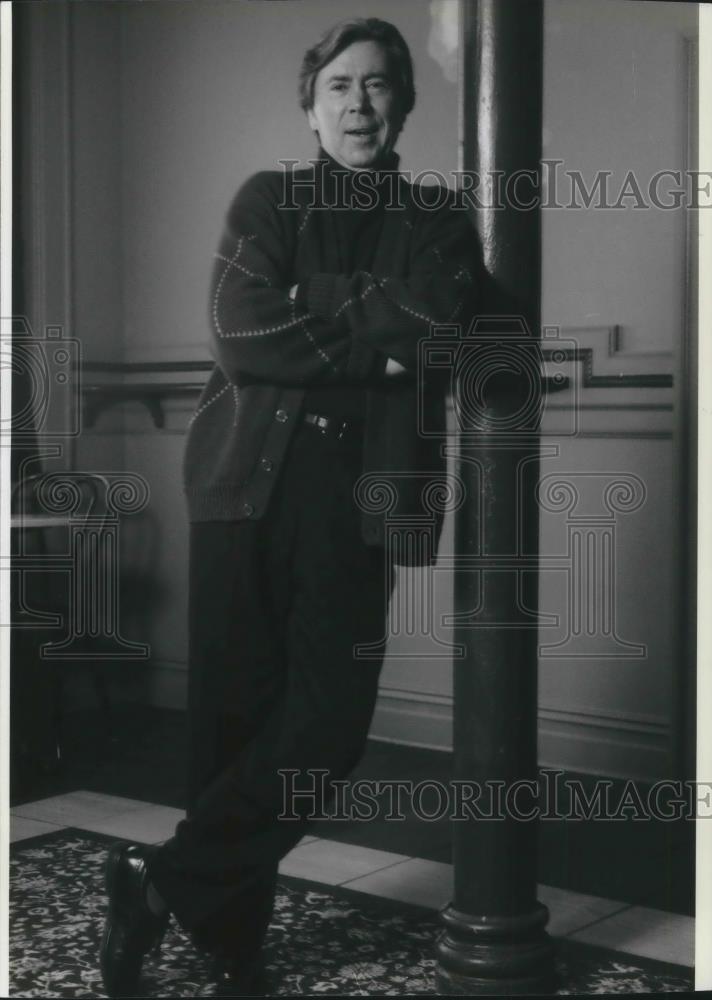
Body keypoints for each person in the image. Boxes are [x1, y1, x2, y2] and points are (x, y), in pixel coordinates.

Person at [99, 16, 480, 997]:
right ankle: (230, 937)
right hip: (243, 486)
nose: (361, 102)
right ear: (310, 104)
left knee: (326, 724)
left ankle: (157, 881)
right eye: (342, 85)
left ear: (403, 103)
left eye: (381, 84)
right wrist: (371, 320)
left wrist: (322, 302)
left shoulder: (439, 219)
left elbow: (437, 317)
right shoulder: (266, 199)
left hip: (359, 495)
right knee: (230, 719)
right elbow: (239, 330)